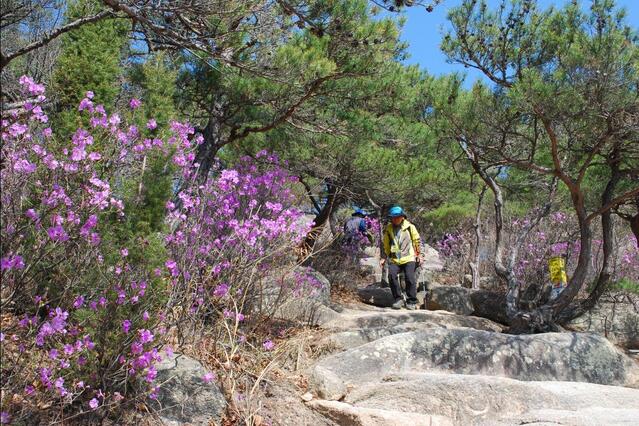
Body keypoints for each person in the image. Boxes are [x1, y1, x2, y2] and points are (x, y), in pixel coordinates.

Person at [381, 206, 421, 310]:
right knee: (392, 275)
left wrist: (419, 255)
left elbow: (416, 240)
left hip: (409, 257)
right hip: (395, 258)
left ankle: (411, 300)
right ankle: (398, 299)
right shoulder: (389, 228)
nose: (395, 219)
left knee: (409, 277)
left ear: (402, 217)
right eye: (393, 217)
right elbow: (386, 243)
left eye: (397, 217)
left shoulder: (410, 227)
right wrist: (385, 256)